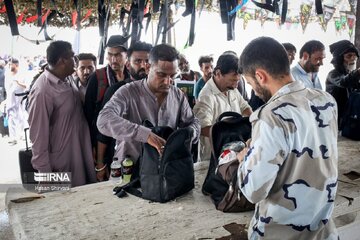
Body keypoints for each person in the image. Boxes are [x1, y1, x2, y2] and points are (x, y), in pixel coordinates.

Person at [238, 37, 338, 239]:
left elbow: (253, 191)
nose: (254, 90)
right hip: (322, 231)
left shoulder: (272, 115)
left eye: (250, 83)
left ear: (260, 76)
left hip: (280, 232)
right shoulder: (325, 101)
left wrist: (245, 159)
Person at [96, 44, 200, 177]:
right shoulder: (127, 92)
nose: (168, 82)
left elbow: (193, 122)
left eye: (172, 76)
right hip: (130, 172)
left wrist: (191, 133)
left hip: (164, 173)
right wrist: (145, 134)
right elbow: (103, 120)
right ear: (148, 67)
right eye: (161, 75)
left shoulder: (178, 95)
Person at [27, 41, 96, 187]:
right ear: (62, 60)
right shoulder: (42, 91)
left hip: (80, 152)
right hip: (62, 161)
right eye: (73, 57)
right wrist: (45, 176)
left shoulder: (68, 78)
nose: (75, 61)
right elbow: (38, 137)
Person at [96, 41, 153, 181]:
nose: (143, 65)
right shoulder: (117, 91)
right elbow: (103, 131)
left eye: (147, 61)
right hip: (122, 160)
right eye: (138, 61)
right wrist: (100, 164)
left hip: (152, 161)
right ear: (128, 64)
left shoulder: (160, 91)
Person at [193, 53, 252, 162]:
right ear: (218, 73)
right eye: (232, 80)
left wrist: (253, 123)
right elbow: (203, 128)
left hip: (235, 152)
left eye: (238, 80)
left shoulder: (232, 89)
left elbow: (245, 107)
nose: (236, 85)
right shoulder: (206, 96)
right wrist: (231, 133)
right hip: (214, 157)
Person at [84, 35, 129, 162]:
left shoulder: (132, 77)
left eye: (118, 55)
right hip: (102, 139)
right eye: (110, 54)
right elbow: (88, 115)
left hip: (126, 137)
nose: (113, 59)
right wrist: (92, 145)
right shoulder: (97, 78)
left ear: (127, 55)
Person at [326, 40, 360, 128]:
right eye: (349, 56)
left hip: (349, 117)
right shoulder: (333, 74)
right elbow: (343, 82)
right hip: (335, 118)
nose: (353, 59)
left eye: (354, 56)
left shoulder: (350, 75)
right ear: (340, 59)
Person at [4, 58, 28, 145]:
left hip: (19, 101)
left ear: (16, 65)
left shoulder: (22, 75)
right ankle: (13, 137)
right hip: (10, 101)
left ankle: (22, 134)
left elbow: (26, 86)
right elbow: (7, 89)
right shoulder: (8, 75)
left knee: (21, 118)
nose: (9, 66)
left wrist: (18, 83)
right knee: (10, 118)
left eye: (11, 64)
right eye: (9, 64)